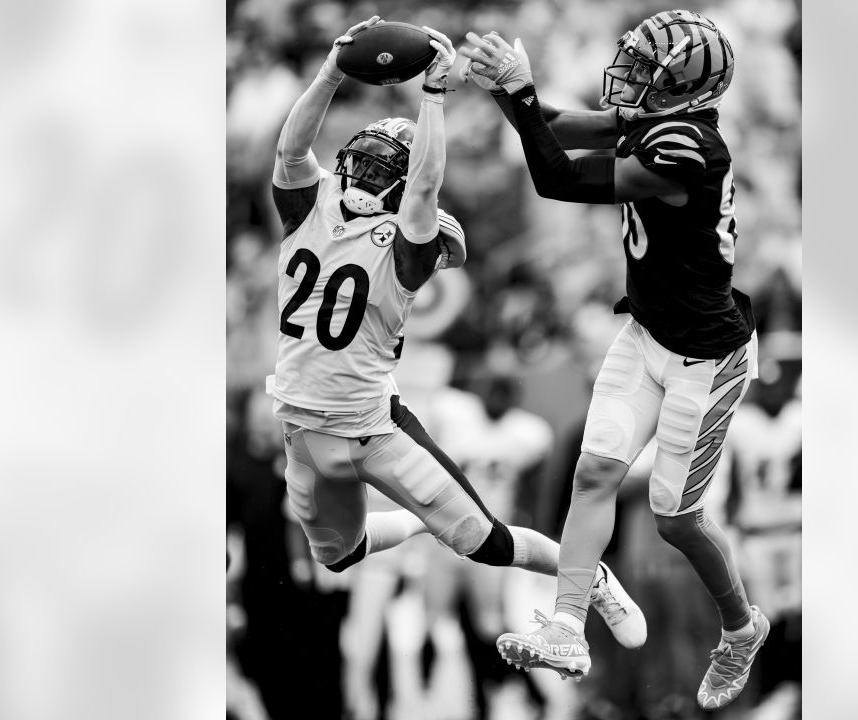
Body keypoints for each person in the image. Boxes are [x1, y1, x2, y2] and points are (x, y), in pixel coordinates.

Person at [266, 16, 647, 670]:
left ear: (396, 187)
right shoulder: (310, 206)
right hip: (302, 425)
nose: (354, 174)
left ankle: (592, 583)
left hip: (371, 426)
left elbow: (423, 190)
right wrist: (332, 70)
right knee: (338, 555)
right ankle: (417, 523)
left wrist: (434, 98)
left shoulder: (406, 246)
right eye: (354, 159)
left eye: (374, 169)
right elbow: (292, 152)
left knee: (487, 543)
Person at [459, 9, 767, 709]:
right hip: (648, 333)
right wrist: (515, 89)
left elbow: (559, 177)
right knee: (594, 470)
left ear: (684, 87)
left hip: (706, 357)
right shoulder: (662, 123)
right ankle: (568, 626)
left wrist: (520, 99)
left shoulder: (689, 148)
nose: (628, 76)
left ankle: (742, 629)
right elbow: (565, 127)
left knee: (674, 518)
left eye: (646, 69)